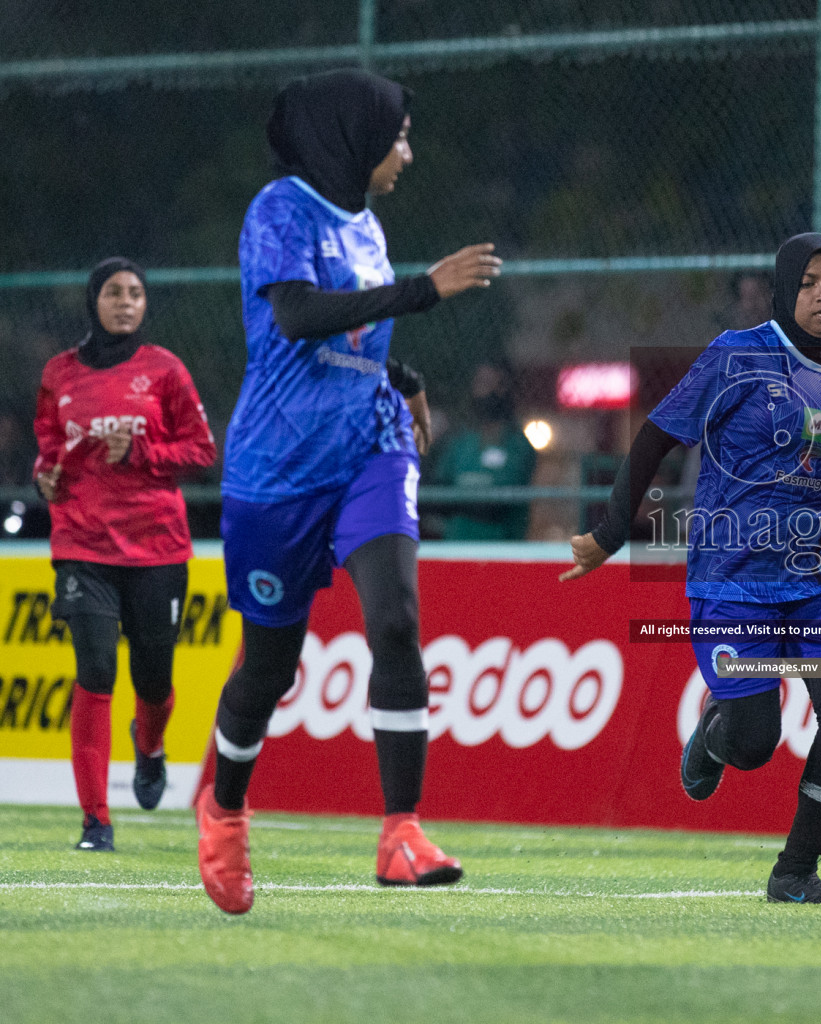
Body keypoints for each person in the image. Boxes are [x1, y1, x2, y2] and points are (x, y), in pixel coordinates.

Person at [561, 233, 821, 904]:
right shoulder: (735, 356)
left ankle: (795, 873)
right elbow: (656, 437)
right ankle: (715, 740)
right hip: (732, 580)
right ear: (783, 291)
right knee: (755, 743)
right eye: (808, 283)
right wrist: (608, 534)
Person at [197, 69, 502, 915]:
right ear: (353, 136)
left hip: (369, 445)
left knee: (397, 619)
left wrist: (400, 375)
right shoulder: (279, 211)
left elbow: (355, 331)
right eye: (398, 134)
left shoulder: (367, 223)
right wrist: (425, 291)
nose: (407, 150)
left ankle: (401, 832)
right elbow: (295, 317)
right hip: (278, 470)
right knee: (268, 666)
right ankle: (223, 810)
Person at [31, 258, 217, 852]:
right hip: (82, 545)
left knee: (154, 681)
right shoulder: (58, 373)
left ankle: (151, 742)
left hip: (157, 547)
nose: (125, 302)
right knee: (95, 672)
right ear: (94, 301)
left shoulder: (164, 370)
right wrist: (44, 474)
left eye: (135, 293)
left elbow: (202, 451)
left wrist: (142, 450)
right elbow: (48, 448)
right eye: (113, 292)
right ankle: (95, 821)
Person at [429, 361, 538, 540]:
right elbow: (437, 493)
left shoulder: (517, 444)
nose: (482, 391)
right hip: (456, 547)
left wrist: (458, 499)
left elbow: (497, 504)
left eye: (490, 384)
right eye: (479, 383)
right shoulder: (461, 441)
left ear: (505, 389)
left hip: (500, 550)